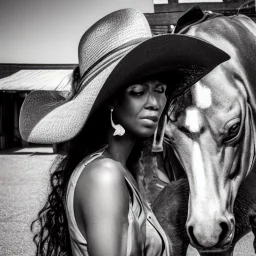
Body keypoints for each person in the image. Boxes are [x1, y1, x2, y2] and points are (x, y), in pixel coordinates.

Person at [19, 8, 229, 256]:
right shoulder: (104, 176)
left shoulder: (120, 169)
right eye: (139, 92)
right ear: (110, 100)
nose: (155, 102)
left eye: (160, 89)